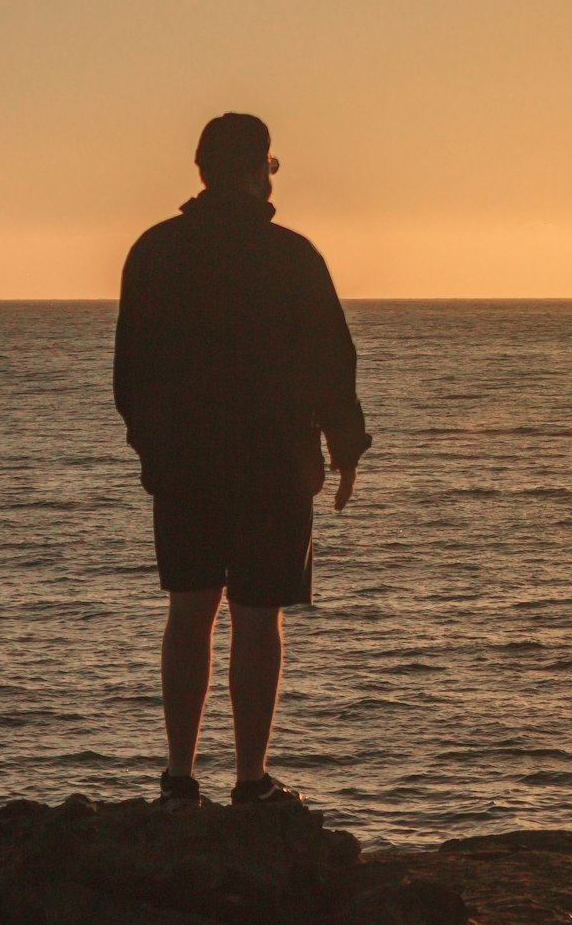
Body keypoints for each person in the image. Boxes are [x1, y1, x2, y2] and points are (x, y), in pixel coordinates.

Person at [113, 113, 370, 810]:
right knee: (259, 619)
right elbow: (333, 365)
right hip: (275, 465)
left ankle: (178, 780)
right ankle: (252, 782)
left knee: (189, 612)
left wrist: (154, 451)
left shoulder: (155, 251)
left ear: (201, 170)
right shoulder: (292, 256)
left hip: (188, 467)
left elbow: (130, 373)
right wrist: (343, 452)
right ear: (260, 170)